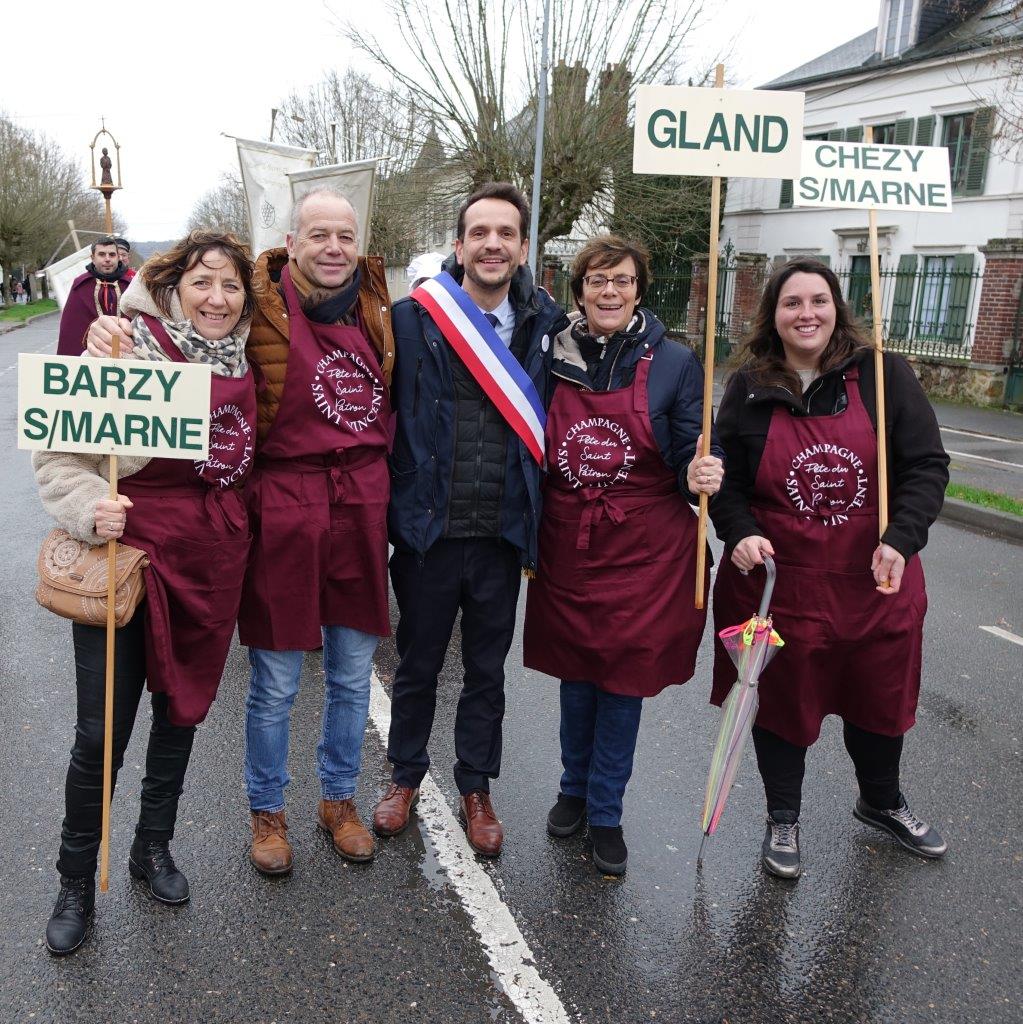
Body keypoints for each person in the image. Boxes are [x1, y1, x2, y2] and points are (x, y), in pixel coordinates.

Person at [88, 189, 396, 875]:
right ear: (292, 239)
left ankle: (339, 800)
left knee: (350, 673)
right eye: (318, 234)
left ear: (358, 242)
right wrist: (109, 330)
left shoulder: (381, 308)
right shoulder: (257, 303)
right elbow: (179, 308)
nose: (332, 248)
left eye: (344, 235)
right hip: (284, 501)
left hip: (361, 505)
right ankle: (267, 810)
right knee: (278, 678)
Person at [35, 230, 257, 955]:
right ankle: (75, 878)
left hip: (212, 561)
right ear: (172, 288)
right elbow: (59, 454)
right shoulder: (122, 348)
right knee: (101, 732)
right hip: (125, 560)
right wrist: (86, 509)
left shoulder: (252, 354)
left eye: (230, 285)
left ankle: (151, 847)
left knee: (181, 712)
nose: (217, 299)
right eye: (202, 283)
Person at [710, 258, 950, 881]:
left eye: (819, 300)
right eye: (793, 303)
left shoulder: (882, 375)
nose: (807, 313)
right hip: (779, 583)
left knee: (878, 697)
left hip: (874, 579)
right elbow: (727, 483)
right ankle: (783, 816)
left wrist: (902, 538)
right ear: (774, 315)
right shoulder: (749, 386)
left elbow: (926, 466)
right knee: (783, 702)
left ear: (837, 308)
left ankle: (881, 799)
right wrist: (739, 532)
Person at [375, 182, 569, 857]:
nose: (492, 244)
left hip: (499, 533)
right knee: (418, 665)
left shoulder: (548, 327)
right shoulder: (409, 319)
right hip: (429, 531)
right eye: (479, 232)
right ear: (458, 246)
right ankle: (403, 776)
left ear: (521, 248)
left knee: (486, 672)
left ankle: (475, 786)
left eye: (505, 233)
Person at [521, 235, 723, 876]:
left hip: (642, 548)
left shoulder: (674, 362)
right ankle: (571, 791)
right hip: (569, 539)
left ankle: (606, 811)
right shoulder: (552, 354)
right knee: (577, 674)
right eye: (598, 280)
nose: (610, 292)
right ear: (578, 289)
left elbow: (693, 439)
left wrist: (701, 470)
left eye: (623, 281)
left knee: (622, 682)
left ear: (640, 289)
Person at [56, 236, 131, 355]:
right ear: (93, 258)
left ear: (118, 257)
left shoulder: (130, 286)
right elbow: (71, 329)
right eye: (101, 254)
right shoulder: (80, 285)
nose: (107, 259)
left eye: (112, 255)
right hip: (89, 356)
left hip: (126, 353)